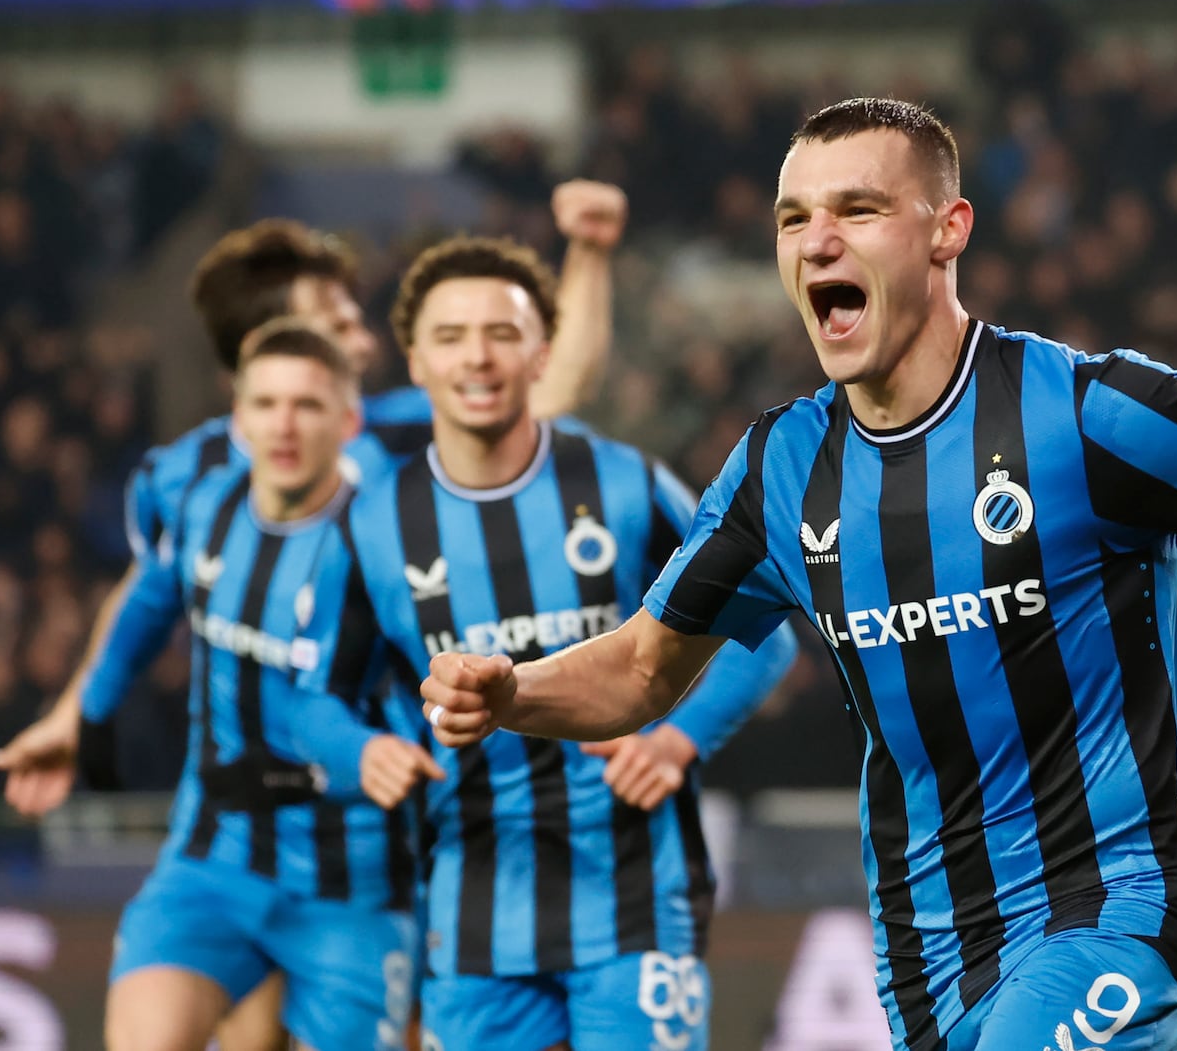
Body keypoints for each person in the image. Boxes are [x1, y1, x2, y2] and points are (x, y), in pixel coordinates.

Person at [419, 99, 1177, 1051]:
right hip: (927, 947)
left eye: (857, 208)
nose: (816, 241)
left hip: (1120, 904)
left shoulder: (1090, 411)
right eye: (792, 217)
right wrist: (512, 691)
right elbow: (644, 668)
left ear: (947, 228)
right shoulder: (779, 468)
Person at [0, 180, 628, 1049]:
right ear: (258, 356)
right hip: (223, 837)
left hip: (365, 856)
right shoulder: (190, 480)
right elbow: (145, 594)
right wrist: (73, 714)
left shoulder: (399, 448)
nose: (363, 335)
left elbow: (557, 389)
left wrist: (587, 253)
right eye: (338, 319)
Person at [290, 234, 798, 1051]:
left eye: (502, 333)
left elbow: (765, 633)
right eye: (450, 337)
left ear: (543, 352)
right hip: (473, 907)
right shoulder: (372, 523)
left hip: (634, 894)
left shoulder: (623, 483)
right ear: (415, 362)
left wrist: (676, 741)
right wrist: (360, 753)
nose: (478, 357)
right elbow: (309, 697)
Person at [82, 320, 430, 1051]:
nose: (284, 424)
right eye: (266, 403)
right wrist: (88, 714)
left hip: (355, 880)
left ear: (348, 420)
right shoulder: (205, 505)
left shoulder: (391, 547)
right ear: (236, 417)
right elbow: (150, 597)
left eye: (306, 405)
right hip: (212, 857)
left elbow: (437, 687)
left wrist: (382, 752)